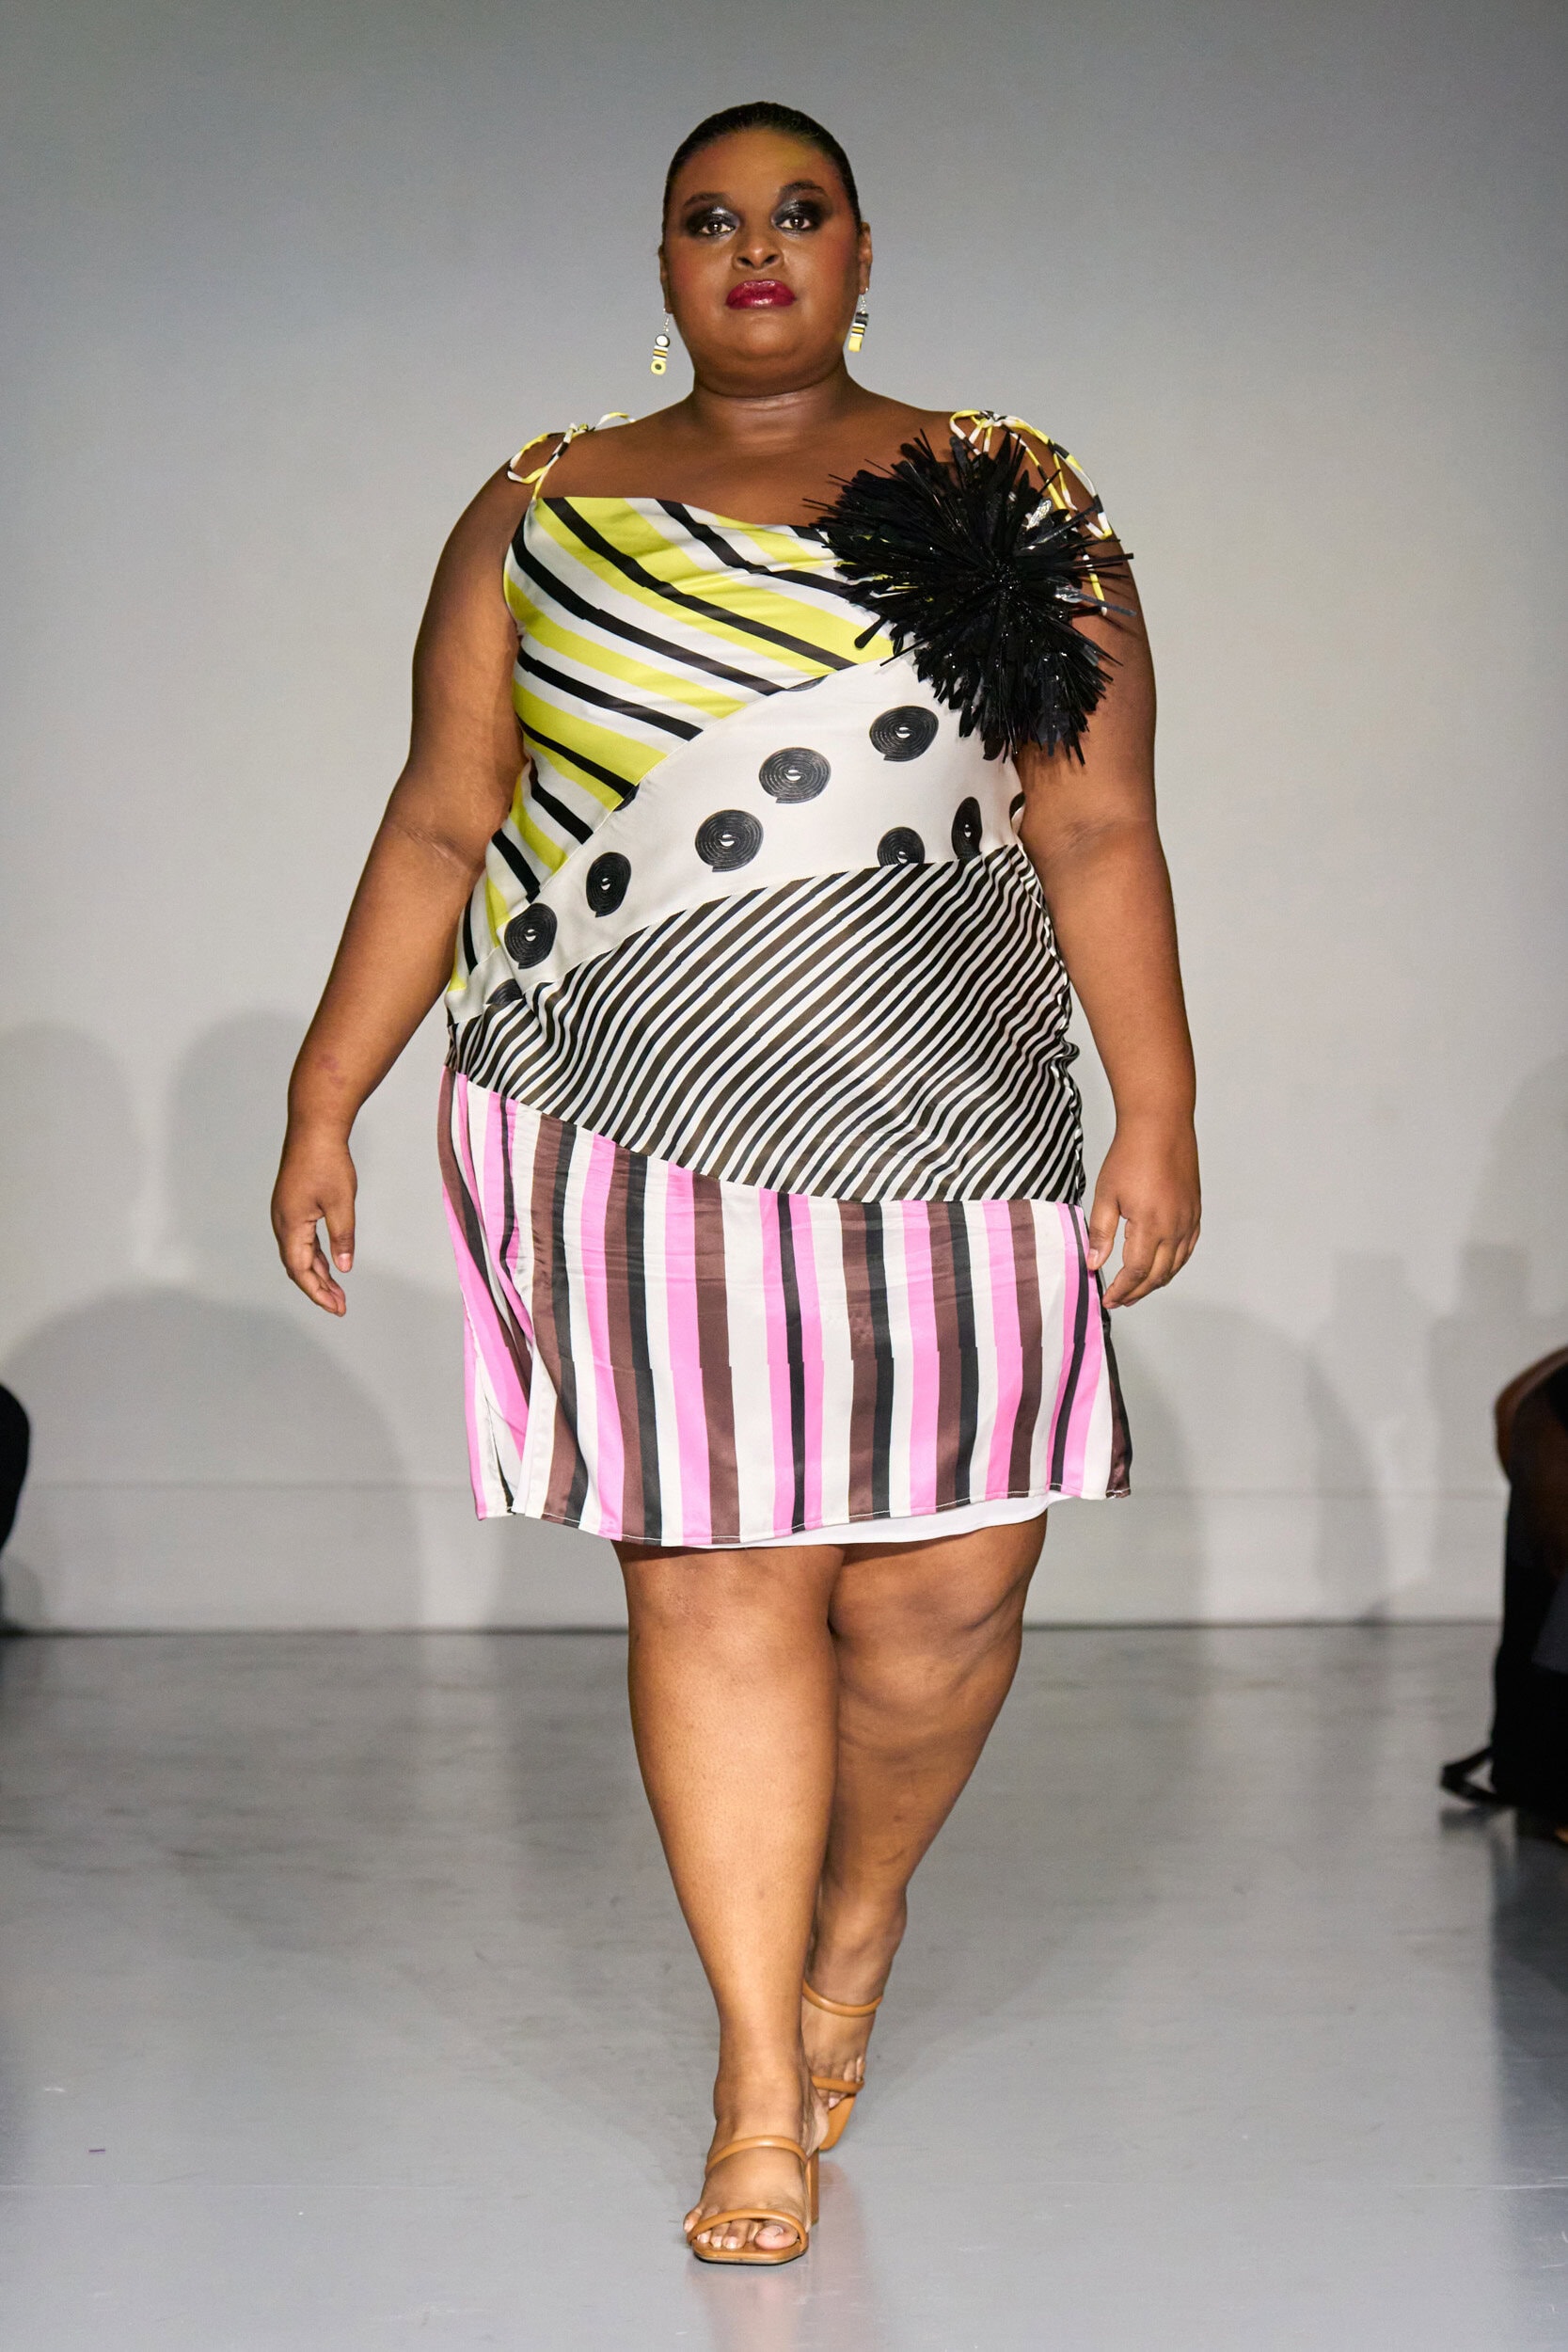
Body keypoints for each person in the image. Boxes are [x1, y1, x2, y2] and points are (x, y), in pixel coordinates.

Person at [273, 100, 1199, 2265]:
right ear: (664, 263)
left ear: (864, 250)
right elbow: (441, 817)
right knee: (714, 1580)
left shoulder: (1006, 495)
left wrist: (1156, 1102)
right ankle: (757, 2077)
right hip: (622, 1107)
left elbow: (1094, 819)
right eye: (711, 216)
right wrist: (329, 1089)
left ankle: (859, 1911)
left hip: (955, 1107)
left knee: (946, 1593)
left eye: (797, 212)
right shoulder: (542, 510)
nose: (755, 245)